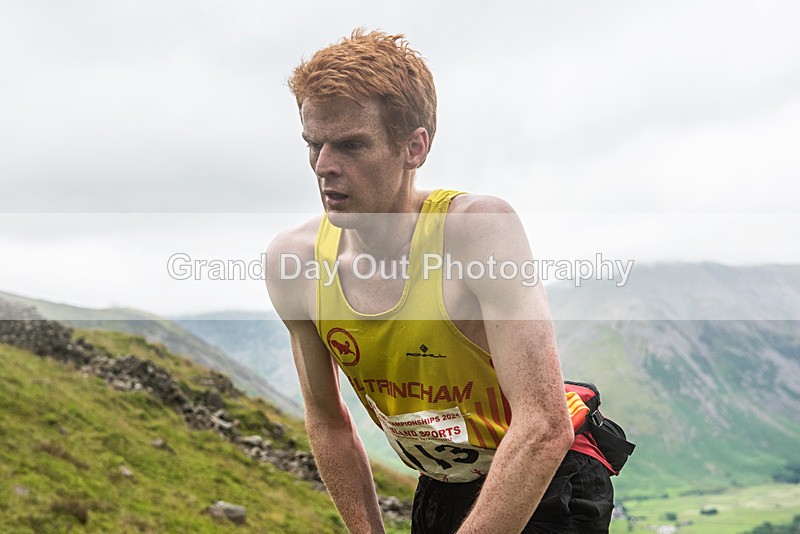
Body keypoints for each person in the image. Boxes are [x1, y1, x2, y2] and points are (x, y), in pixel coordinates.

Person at [266, 29, 614, 533]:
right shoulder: (292, 263)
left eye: (351, 146)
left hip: (551, 473)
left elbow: (542, 426)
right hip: (442, 483)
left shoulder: (478, 231)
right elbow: (328, 421)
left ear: (414, 148)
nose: (324, 167)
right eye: (313, 144)